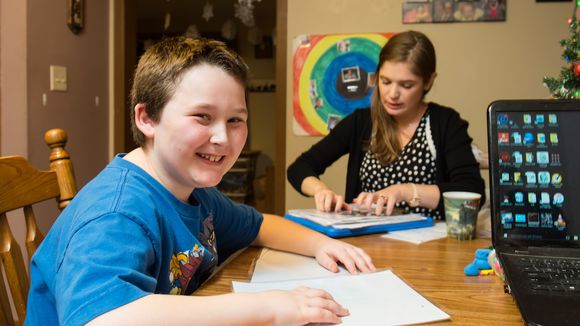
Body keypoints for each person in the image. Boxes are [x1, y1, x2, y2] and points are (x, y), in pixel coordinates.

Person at [25, 37, 376, 326]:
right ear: (147, 118)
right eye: (202, 117)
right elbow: (103, 318)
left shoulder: (197, 193)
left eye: (236, 120)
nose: (223, 137)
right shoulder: (117, 211)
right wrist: (269, 308)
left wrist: (322, 245)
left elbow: (259, 226)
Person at [287, 30, 485, 219]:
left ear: (428, 81)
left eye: (406, 85)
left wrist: (405, 191)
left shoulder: (446, 123)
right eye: (385, 81)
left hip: (430, 246)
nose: (392, 94)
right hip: (365, 245)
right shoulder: (361, 122)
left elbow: (471, 191)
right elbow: (299, 168)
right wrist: (321, 191)